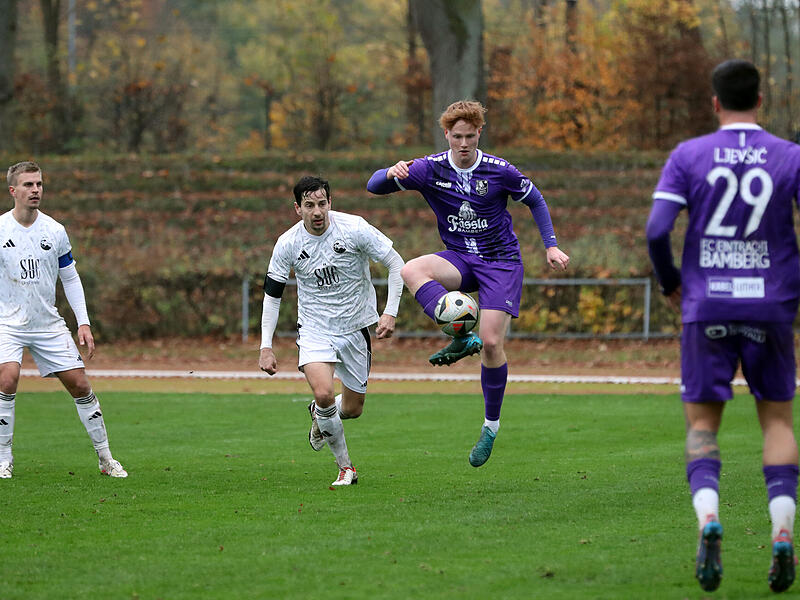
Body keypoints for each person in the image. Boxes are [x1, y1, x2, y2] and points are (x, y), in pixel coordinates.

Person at [647, 59, 800, 593]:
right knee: (777, 424)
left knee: (702, 428)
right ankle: (783, 534)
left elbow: (657, 230)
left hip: (706, 307)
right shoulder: (789, 156)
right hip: (772, 306)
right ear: (762, 100)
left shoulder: (689, 155)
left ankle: (709, 521)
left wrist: (671, 284)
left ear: (714, 103)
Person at [367, 100, 569, 468]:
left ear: (479, 134)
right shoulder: (429, 168)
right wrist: (390, 171)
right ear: (446, 134)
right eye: (456, 136)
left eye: (470, 136)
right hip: (459, 258)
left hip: (501, 263)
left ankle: (490, 426)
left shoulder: (499, 170)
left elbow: (535, 200)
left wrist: (551, 245)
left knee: (492, 343)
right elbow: (373, 186)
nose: (463, 143)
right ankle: (460, 335)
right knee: (411, 270)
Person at [258, 175, 404, 487]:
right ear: (298, 208)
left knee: (352, 409)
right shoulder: (288, 244)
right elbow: (273, 294)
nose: (317, 211)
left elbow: (396, 263)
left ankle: (320, 415)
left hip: (354, 329)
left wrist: (390, 311)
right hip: (314, 329)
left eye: (322, 203)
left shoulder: (354, 228)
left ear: (330, 203)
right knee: (324, 392)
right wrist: (266, 346)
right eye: (309, 205)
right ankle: (346, 468)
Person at [0, 161, 127, 479]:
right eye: (28, 185)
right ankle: (3, 459)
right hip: (8, 322)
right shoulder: (1, 229)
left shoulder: (55, 231)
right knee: (7, 378)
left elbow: (70, 279)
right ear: (13, 191)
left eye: (39, 184)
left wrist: (83, 323)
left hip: (48, 323)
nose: (36, 190)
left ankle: (106, 458)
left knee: (81, 385)